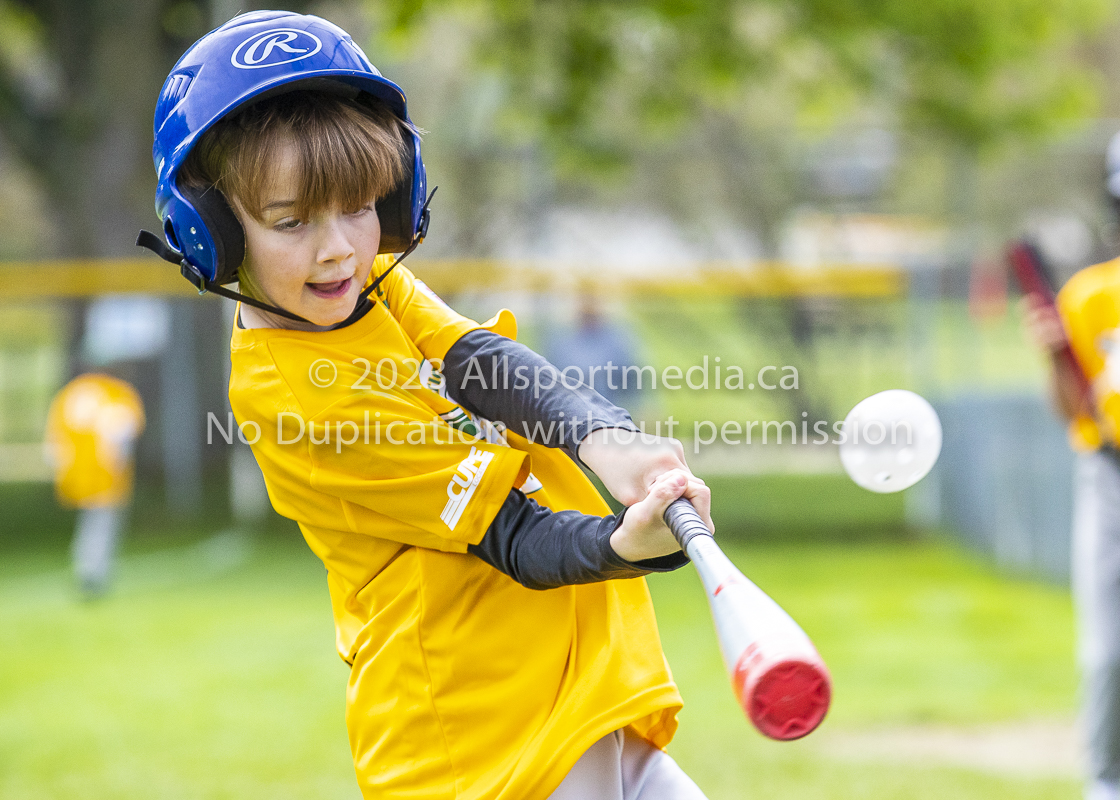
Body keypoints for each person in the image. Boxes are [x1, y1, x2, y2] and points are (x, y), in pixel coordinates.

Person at [138, 11, 712, 799]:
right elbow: (516, 536)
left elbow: (483, 362)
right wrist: (626, 541)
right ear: (211, 235)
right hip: (479, 747)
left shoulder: (364, 285)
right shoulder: (297, 399)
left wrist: (606, 440)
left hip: (572, 704)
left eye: (357, 205)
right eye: (291, 221)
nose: (338, 246)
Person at [1025, 132, 1120, 800]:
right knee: (1110, 652)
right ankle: (1106, 782)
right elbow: (1073, 410)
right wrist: (1052, 356)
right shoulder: (1090, 296)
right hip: (1110, 476)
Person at [44, 372, 145, 598]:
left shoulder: (70, 393)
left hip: (77, 472)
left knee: (90, 522)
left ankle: (86, 566)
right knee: (102, 524)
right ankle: (92, 572)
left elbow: (54, 438)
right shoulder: (117, 392)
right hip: (106, 472)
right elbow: (125, 432)